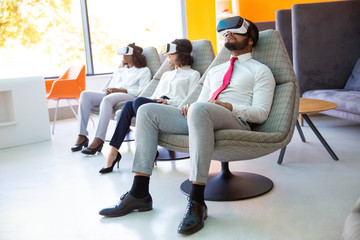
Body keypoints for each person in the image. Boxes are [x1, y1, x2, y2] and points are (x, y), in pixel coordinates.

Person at [98, 16, 276, 235]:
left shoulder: (261, 71)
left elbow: (260, 113)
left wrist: (229, 106)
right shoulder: (215, 71)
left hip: (235, 120)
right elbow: (199, 102)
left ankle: (197, 201)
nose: (228, 33)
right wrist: (189, 106)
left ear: (251, 40)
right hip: (203, 116)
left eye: (236, 31)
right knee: (145, 110)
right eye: (225, 32)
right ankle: (139, 193)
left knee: (201, 109)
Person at [99, 38, 200, 174]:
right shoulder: (166, 74)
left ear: (182, 54)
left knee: (137, 102)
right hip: (155, 105)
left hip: (173, 110)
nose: (167, 55)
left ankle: (142, 152)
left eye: (172, 53)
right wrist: (154, 100)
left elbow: (191, 100)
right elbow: (155, 95)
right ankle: (114, 151)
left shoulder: (193, 74)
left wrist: (169, 102)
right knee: (130, 104)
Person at [71, 43, 152, 154]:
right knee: (85, 95)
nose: (123, 56)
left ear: (134, 56)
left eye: (126, 54)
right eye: (122, 54)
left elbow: (141, 91)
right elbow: (112, 84)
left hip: (129, 96)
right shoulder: (120, 70)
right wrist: (109, 90)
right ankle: (82, 135)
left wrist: (119, 90)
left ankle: (99, 139)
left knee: (107, 100)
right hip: (112, 94)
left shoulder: (144, 71)